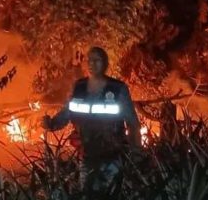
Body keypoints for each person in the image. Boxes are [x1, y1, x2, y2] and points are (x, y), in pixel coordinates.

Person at [42, 46, 140, 191]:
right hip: (87, 156)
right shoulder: (79, 87)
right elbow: (68, 111)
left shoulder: (118, 89)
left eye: (97, 60)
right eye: (89, 60)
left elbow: (132, 123)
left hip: (112, 157)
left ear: (106, 64)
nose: (92, 63)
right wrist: (51, 124)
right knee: (88, 197)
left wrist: (136, 154)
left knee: (111, 198)